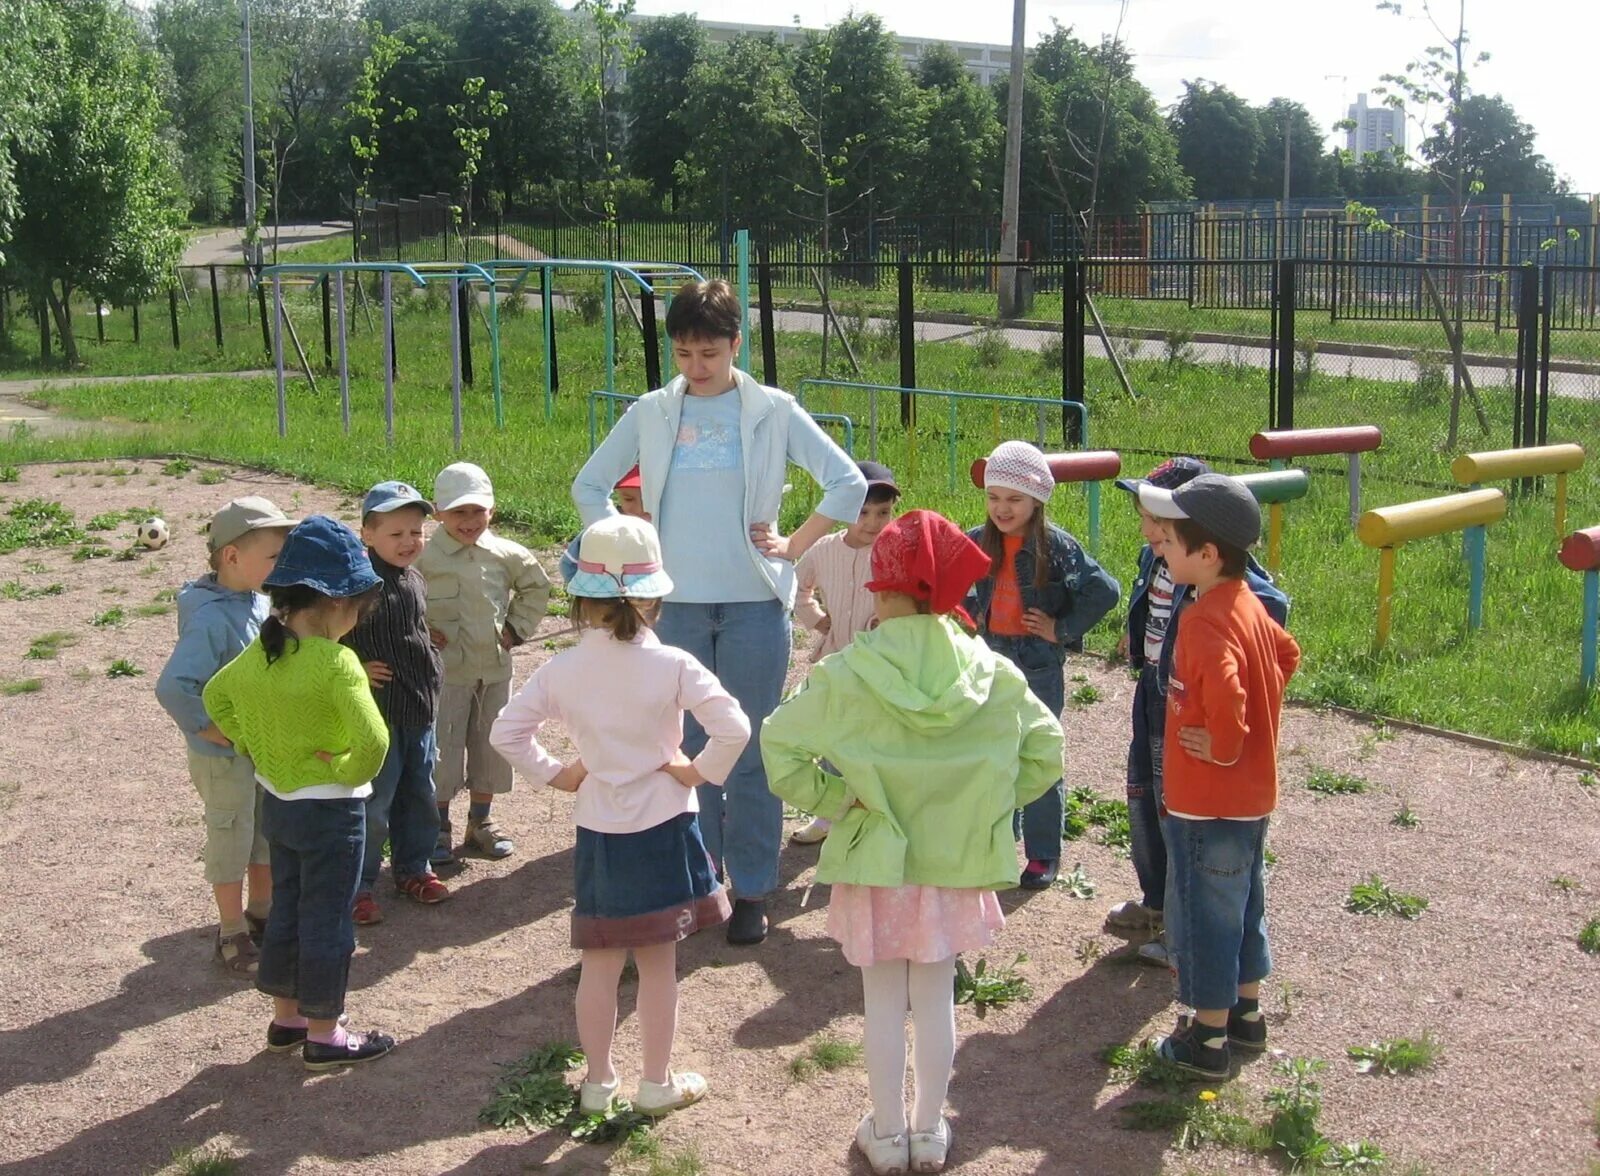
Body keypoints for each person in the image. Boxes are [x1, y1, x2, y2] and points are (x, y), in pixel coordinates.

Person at [762, 510, 1065, 1175]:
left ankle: (888, 1132)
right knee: (935, 1000)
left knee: (881, 1004)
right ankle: (929, 1132)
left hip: (879, 859)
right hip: (954, 863)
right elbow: (1047, 751)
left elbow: (779, 746)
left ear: (882, 583)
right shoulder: (991, 671)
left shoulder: (850, 670)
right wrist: (983, 806)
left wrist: (841, 803)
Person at [571, 277, 866, 946]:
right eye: (683, 354)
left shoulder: (773, 409)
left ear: (736, 344)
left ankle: (754, 889)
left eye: (709, 352)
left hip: (755, 602)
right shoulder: (651, 410)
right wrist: (624, 549)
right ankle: (699, 880)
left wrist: (795, 543)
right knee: (689, 748)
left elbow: (847, 482)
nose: (696, 367)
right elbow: (589, 484)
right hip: (673, 606)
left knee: (754, 746)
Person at [490, 515, 749, 1117]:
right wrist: (698, 771)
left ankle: (598, 1083)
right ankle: (656, 1082)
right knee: (659, 962)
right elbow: (733, 727)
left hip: (601, 829)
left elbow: (509, 732)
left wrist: (560, 773)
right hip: (666, 826)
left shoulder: (562, 670)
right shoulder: (674, 665)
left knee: (599, 964)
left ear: (581, 598)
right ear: (655, 597)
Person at [202, 516, 397, 1071]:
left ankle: (287, 1019)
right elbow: (374, 740)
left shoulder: (262, 654)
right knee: (329, 918)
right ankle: (325, 1033)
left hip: (278, 806)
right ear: (338, 604)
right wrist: (342, 766)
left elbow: (216, 699)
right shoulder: (337, 663)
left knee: (287, 907)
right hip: (333, 811)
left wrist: (256, 746)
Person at [1137, 474, 1300, 1080]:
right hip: (1252, 797)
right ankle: (1246, 1017)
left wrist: (1226, 743)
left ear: (1206, 555)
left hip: (1207, 800)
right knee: (1244, 902)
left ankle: (1205, 1039)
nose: (1160, 548)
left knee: (1206, 911)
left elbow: (1228, 693)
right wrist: (1262, 714)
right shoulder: (1251, 603)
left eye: (1170, 543)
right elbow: (1287, 654)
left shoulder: (1203, 621)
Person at [1108, 458, 1289, 968]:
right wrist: (1139, 632)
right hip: (1153, 691)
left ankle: (1183, 932)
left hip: (1186, 704)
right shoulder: (1159, 559)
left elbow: (1273, 616)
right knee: (1144, 796)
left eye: (1158, 525)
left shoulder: (1219, 573)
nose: (1147, 531)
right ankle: (1158, 904)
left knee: (1179, 814)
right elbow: (1154, 605)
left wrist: (1241, 666)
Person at [965, 441, 1120, 890]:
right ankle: (996, 839)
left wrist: (1062, 628)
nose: (1002, 508)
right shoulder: (977, 540)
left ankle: (1042, 853)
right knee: (990, 749)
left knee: (1038, 751)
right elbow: (952, 581)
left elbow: (1104, 590)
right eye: (994, 497)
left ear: (1037, 501)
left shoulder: (1056, 548)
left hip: (1037, 662)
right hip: (989, 655)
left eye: (1014, 499)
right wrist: (967, 615)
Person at [156, 497, 297, 976]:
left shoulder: (258, 600)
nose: (282, 564)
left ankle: (262, 908)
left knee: (263, 829)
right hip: (224, 757)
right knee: (229, 836)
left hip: (257, 748)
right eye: (274, 555)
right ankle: (231, 930)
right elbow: (174, 685)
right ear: (233, 557)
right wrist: (208, 729)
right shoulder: (212, 617)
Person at [417, 461, 551, 863]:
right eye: (458, 512)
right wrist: (419, 630)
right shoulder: (423, 558)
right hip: (444, 673)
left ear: (492, 511)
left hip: (494, 670)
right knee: (441, 746)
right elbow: (399, 596)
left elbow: (536, 586)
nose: (469, 521)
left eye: (478, 511)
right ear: (438, 512)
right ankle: (437, 827)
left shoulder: (506, 553)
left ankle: (482, 821)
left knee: (490, 744)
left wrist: (516, 630)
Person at [344, 481, 450, 927]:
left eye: (416, 531)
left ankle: (413, 867)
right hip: (379, 713)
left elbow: (410, 625)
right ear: (367, 535)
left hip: (419, 708)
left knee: (420, 793)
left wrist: (426, 641)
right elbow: (328, 637)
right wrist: (355, 665)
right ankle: (359, 885)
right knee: (375, 802)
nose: (408, 542)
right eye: (395, 534)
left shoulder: (413, 578)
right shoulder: (356, 586)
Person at [788, 460, 901, 846]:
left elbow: (912, 598)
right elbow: (796, 587)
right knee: (832, 737)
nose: (873, 522)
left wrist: (891, 626)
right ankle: (828, 815)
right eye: (863, 512)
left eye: (883, 513)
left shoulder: (896, 549)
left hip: (881, 665)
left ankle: (877, 815)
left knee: (874, 739)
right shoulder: (824, 549)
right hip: (836, 660)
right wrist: (818, 620)